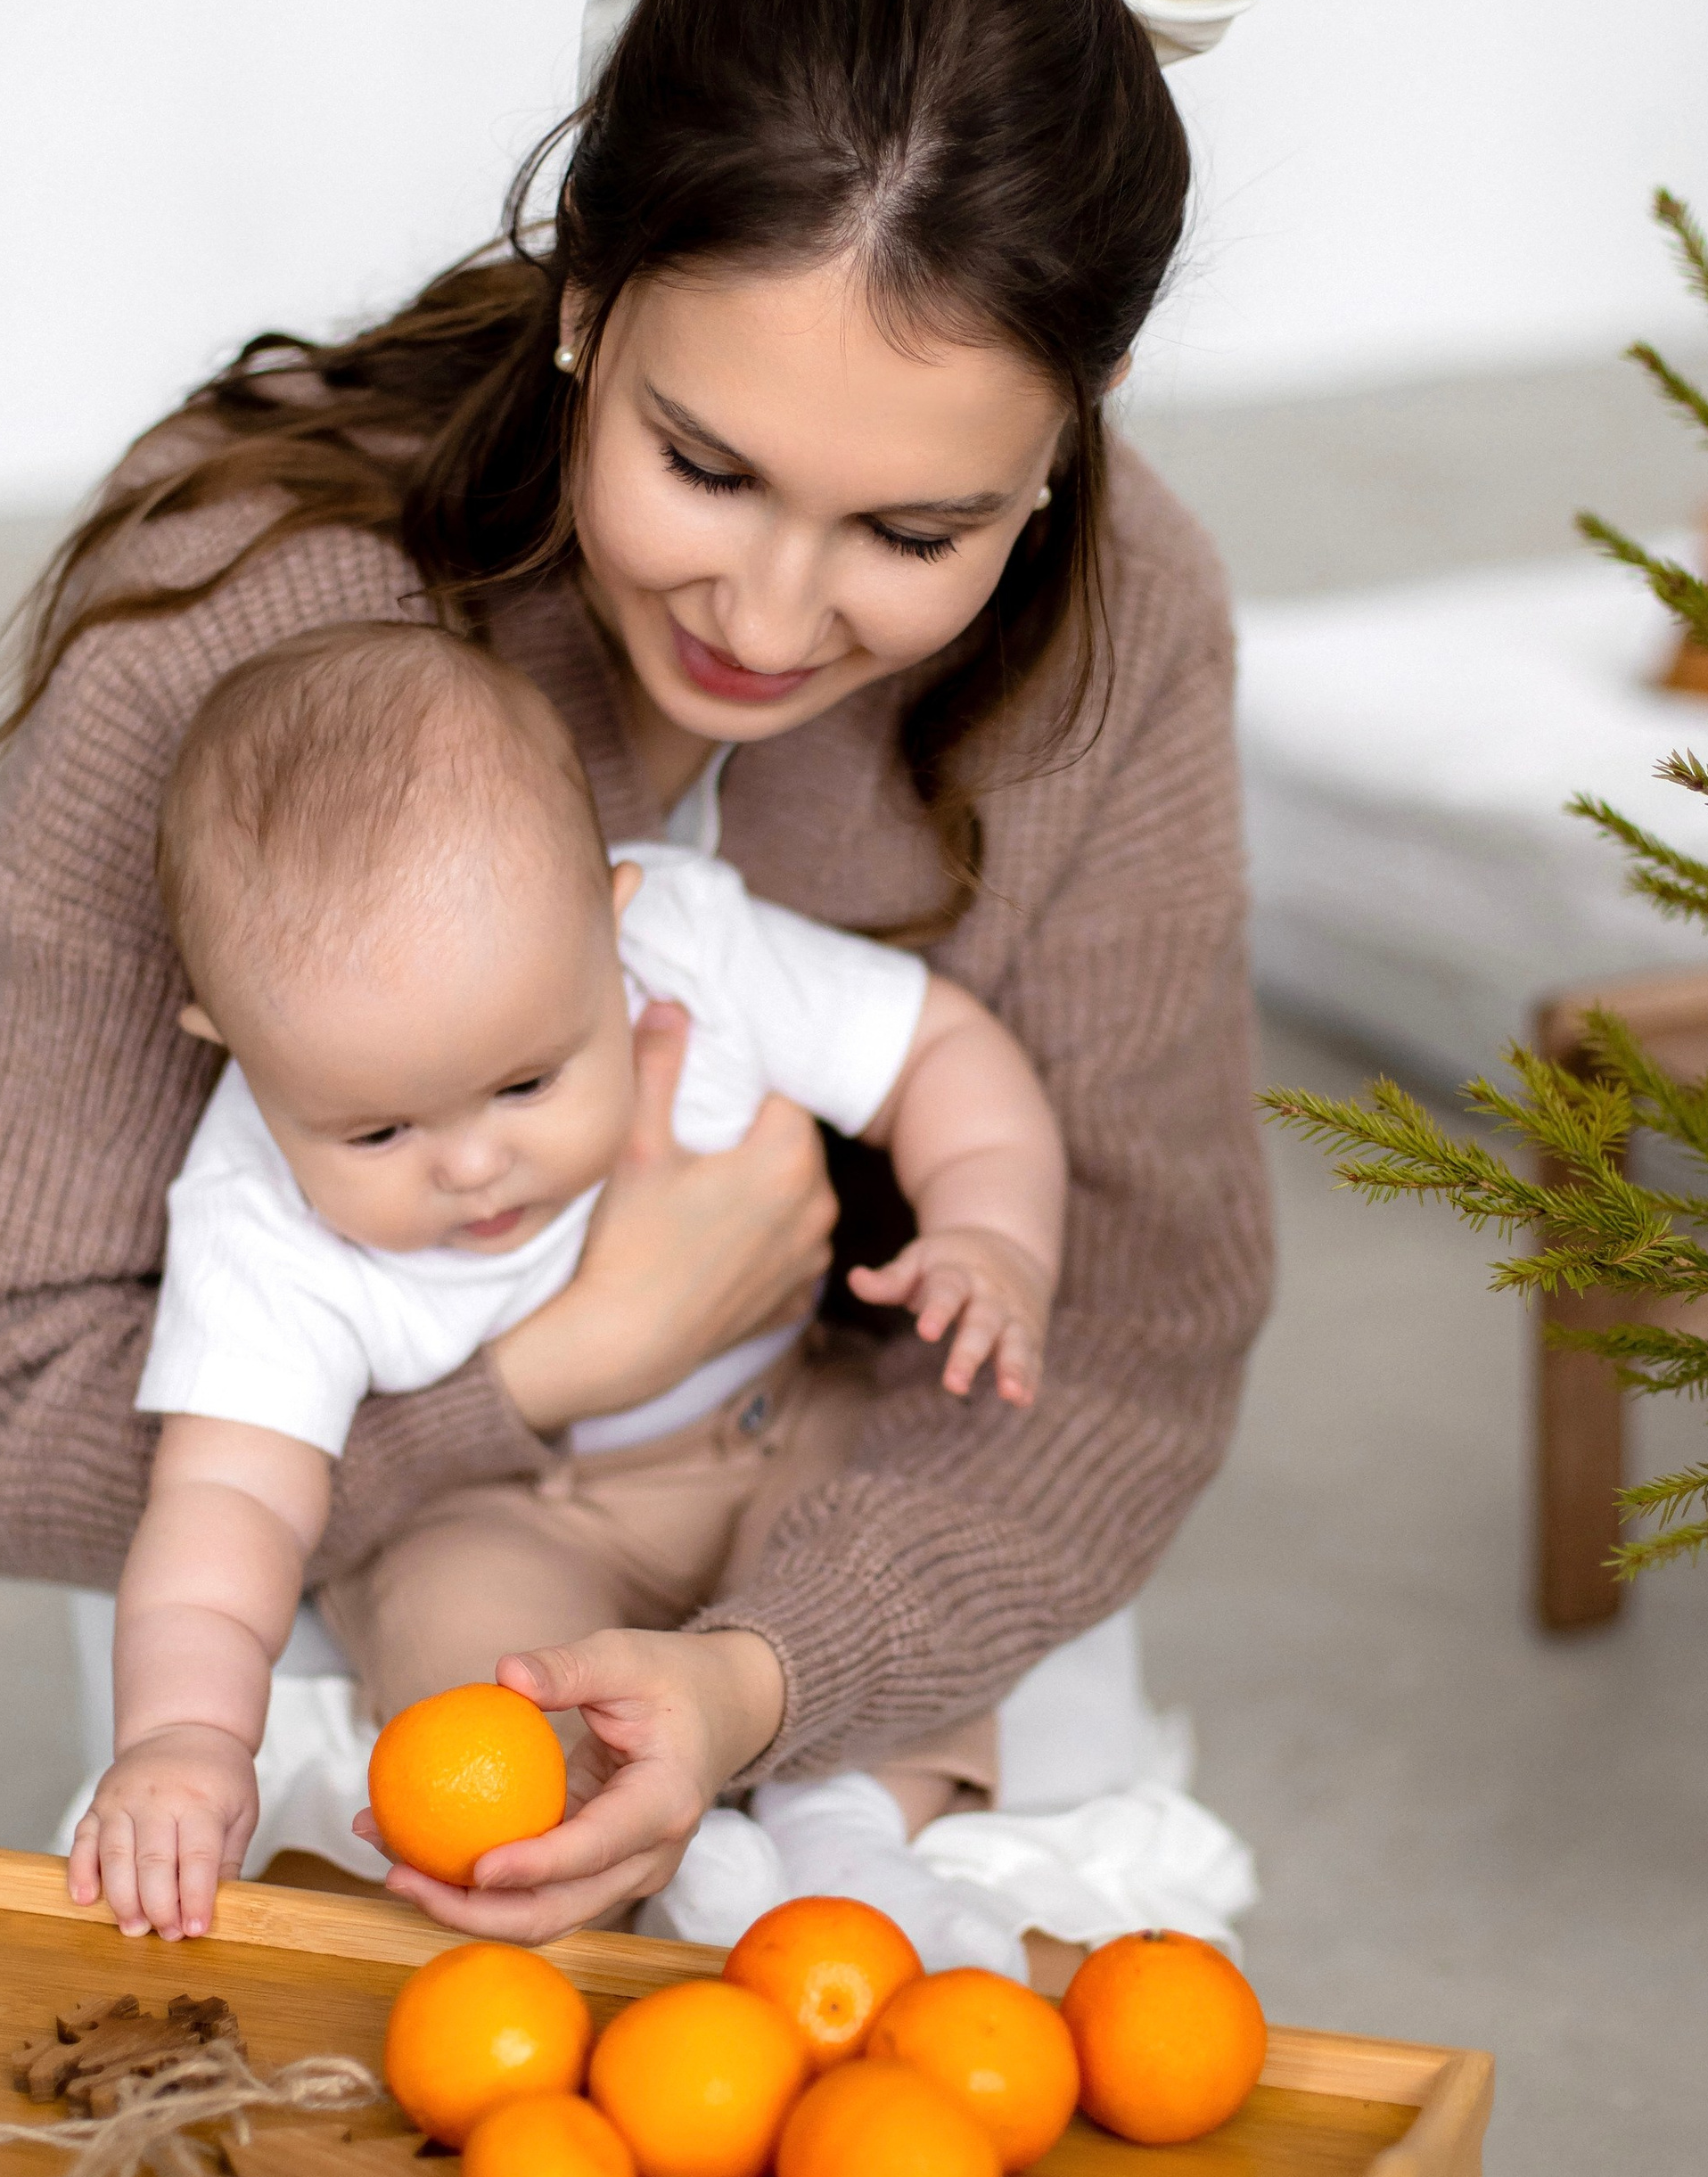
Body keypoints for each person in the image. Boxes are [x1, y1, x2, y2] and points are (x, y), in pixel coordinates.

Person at [0, 0, 1276, 1951]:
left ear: (1064, 447)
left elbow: (1135, 1335)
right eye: (701, 469)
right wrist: (533, 1373)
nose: (771, 612)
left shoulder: (1119, 616)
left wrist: (766, 1672)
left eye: (911, 526)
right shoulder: (243, 622)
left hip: (878, 1501)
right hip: (328, 1554)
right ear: (585, 308)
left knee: (942, 2025)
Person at [70, 618, 1063, 1941]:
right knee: (471, 1669)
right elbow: (225, 1504)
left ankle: (845, 1835)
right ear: (238, 1054)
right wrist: (184, 1737)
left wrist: (994, 1231)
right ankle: (610, 1854)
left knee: (910, 1508)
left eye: (528, 1081)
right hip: (506, 1507)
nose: (476, 1167)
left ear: (616, 919)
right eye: (378, 1133)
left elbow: (937, 1049)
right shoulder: (256, 1210)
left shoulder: (692, 952)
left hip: (780, 1418)